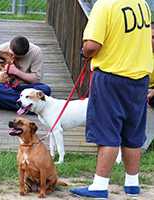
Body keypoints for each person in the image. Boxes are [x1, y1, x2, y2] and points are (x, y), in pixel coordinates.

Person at [69, 0, 153, 199]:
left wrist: (84, 53)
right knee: (133, 131)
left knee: (107, 131)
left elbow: (92, 45)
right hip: (139, 77)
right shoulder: (142, 4)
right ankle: (132, 184)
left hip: (111, 76)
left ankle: (99, 185)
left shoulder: (105, 5)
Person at [0, 36, 51, 110]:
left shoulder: (36, 52)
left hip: (24, 88)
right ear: (9, 46)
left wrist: (16, 72)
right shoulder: (0, 50)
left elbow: (36, 79)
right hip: (6, 87)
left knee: (45, 89)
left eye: (18, 57)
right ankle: (32, 107)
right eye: (12, 54)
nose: (13, 57)